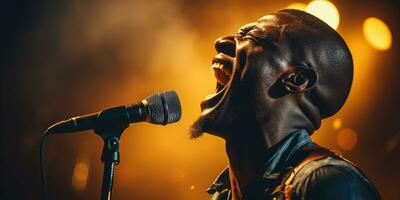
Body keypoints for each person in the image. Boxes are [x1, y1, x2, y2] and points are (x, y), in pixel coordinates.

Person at [190, 9, 381, 200]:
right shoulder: (223, 195)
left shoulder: (330, 183)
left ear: (298, 80)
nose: (221, 41)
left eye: (254, 36)